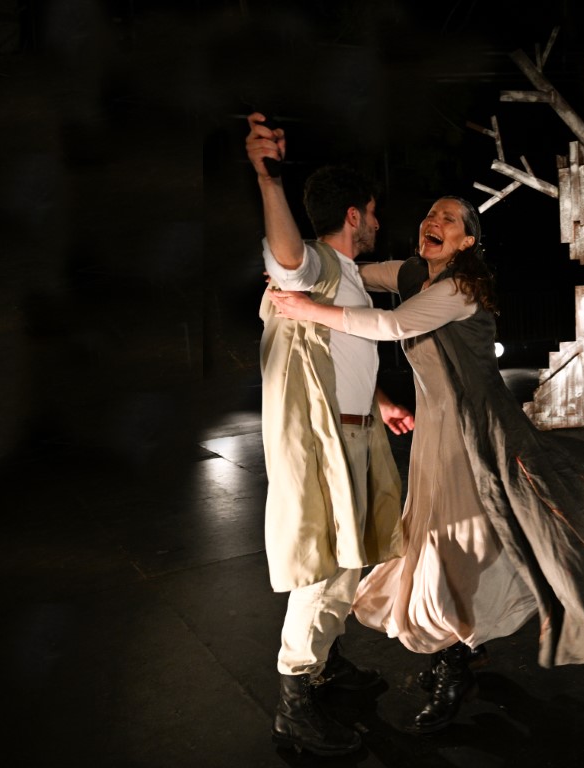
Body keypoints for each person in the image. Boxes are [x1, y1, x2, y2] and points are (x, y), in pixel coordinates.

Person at [269, 195, 584, 733]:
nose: (433, 222)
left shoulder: (460, 288)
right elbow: (352, 273)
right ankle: (463, 651)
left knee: (457, 545)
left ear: (467, 242)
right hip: (435, 433)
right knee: (446, 540)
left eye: (449, 220)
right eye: (430, 214)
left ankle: (455, 663)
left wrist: (307, 309)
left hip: (474, 428)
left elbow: (392, 324)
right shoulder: (415, 272)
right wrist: (296, 273)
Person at [245, 113, 415, 756]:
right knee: (323, 572)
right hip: (324, 444)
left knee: (349, 560)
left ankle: (326, 662)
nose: (376, 223)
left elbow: (343, 353)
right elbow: (286, 258)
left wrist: (382, 401)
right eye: (371, 213)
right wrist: (268, 180)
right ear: (353, 215)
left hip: (358, 433)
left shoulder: (346, 276)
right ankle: (294, 701)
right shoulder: (315, 264)